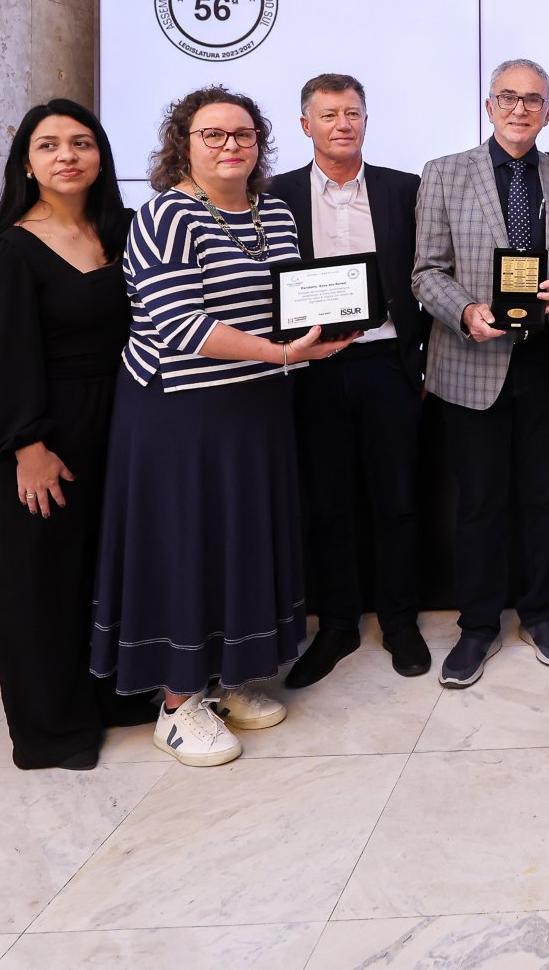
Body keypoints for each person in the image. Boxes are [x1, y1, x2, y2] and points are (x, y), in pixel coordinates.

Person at [91, 87, 359, 767]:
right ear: (183, 144)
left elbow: (284, 305)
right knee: (189, 547)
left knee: (243, 544)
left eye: (243, 134)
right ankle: (178, 705)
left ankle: (229, 680)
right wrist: (281, 354)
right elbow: (179, 324)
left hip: (256, 408)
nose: (230, 145)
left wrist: (324, 331)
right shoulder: (165, 216)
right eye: (212, 135)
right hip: (181, 416)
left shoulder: (274, 213)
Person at [0, 100, 156, 769]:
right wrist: (28, 446)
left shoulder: (125, 230)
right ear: (26, 163)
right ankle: (50, 731)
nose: (67, 156)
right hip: (49, 432)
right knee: (43, 580)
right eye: (48, 145)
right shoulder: (9, 251)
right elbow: (4, 358)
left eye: (81, 143)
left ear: (101, 156)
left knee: (109, 569)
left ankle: (109, 696)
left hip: (126, 419)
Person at [413, 59, 549, 687]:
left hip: (546, 362)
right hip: (471, 364)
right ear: (489, 105)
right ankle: (478, 626)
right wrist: (465, 311)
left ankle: (540, 614)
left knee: (544, 498)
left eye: (533, 100)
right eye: (508, 98)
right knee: (480, 503)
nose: (520, 109)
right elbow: (425, 271)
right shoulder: (443, 173)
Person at [271, 73, 430, 688]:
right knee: (327, 502)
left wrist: (422, 359)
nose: (343, 124)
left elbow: (428, 271)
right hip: (312, 368)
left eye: (353, 113)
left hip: (387, 362)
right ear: (305, 124)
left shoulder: (404, 189)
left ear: (366, 120)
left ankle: (399, 622)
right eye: (329, 114)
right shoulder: (274, 194)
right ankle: (337, 625)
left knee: (398, 499)